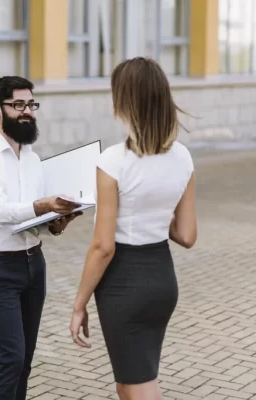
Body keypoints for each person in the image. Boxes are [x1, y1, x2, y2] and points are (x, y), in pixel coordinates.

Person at [69, 57, 197, 400]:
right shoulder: (183, 157)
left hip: (124, 284)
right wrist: (153, 212)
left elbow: (103, 246)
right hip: (161, 279)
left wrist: (79, 303)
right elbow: (186, 235)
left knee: (138, 383)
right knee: (130, 380)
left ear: (124, 102)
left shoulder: (113, 161)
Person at [0, 76, 83, 400]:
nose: (27, 111)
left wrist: (56, 223)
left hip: (34, 266)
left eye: (31, 104)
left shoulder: (32, 159)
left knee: (25, 360)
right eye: (18, 105)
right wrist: (43, 204)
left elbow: (34, 219)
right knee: (10, 359)